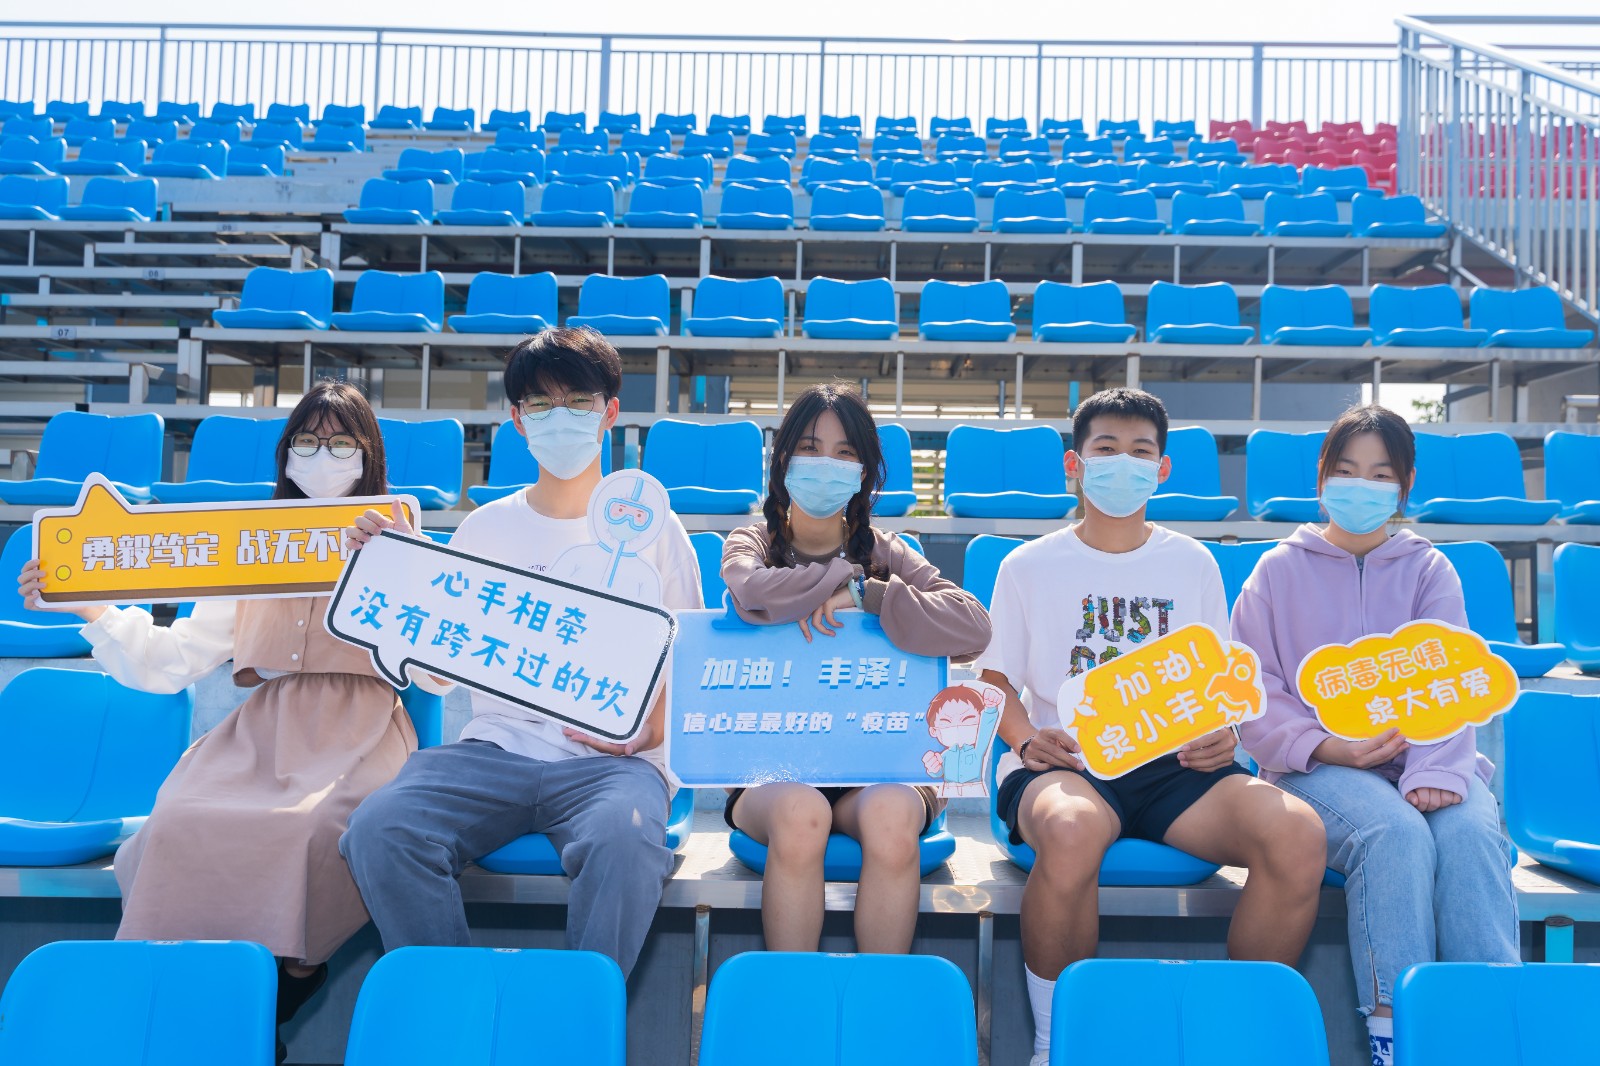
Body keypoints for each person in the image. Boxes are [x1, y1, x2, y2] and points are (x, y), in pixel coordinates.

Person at [16, 380, 441, 1064]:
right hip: (264, 730)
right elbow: (172, 659)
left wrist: (415, 569)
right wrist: (82, 604)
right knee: (179, 818)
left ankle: (266, 1000)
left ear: (369, 455)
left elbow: (442, 670)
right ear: (286, 454)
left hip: (360, 733)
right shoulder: (248, 544)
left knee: (309, 830)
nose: (322, 455)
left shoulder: (402, 544)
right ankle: (222, 1020)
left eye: (341, 443)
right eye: (307, 441)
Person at [974, 387, 1327, 1066]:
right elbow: (994, 683)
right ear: (1075, 464)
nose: (1123, 465)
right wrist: (1024, 739)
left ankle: (1235, 1038)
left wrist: (1226, 732)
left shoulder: (1192, 563)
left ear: (1162, 469)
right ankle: (1054, 1044)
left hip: (1177, 770)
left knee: (1298, 832)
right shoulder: (1028, 566)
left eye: (1141, 452)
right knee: (1071, 831)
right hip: (1069, 764)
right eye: (1106, 449)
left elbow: (1219, 684)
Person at [338, 327, 703, 978]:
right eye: (540, 404)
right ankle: (456, 1008)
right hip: (495, 752)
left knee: (624, 839)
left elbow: (690, 660)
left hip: (613, 765)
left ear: (610, 413)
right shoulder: (486, 528)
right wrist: (390, 572)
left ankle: (582, 1019)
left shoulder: (655, 528)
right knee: (381, 829)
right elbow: (435, 672)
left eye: (579, 402)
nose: (560, 418)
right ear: (517, 419)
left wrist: (645, 732)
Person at [1234, 404, 1518, 1066]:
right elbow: (1254, 688)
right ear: (1322, 478)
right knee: (1393, 833)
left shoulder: (1429, 570)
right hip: (1315, 767)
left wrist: (1434, 772)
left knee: (1472, 836)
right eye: (1347, 470)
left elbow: (1453, 682)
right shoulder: (1277, 570)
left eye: (1380, 474)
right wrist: (1325, 746)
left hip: (1426, 759)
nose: (1361, 486)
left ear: (1405, 484)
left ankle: (1489, 1027)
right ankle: (1397, 1037)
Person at [720, 381, 991, 953]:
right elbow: (750, 592)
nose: (826, 464)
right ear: (783, 460)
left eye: (844, 453)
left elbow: (972, 627)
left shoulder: (888, 552)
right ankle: (796, 997)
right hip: (775, 767)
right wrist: (843, 580)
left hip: (877, 764)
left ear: (864, 473)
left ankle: (878, 998)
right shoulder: (752, 541)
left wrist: (872, 594)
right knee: (800, 812)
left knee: (894, 816)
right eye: (810, 448)